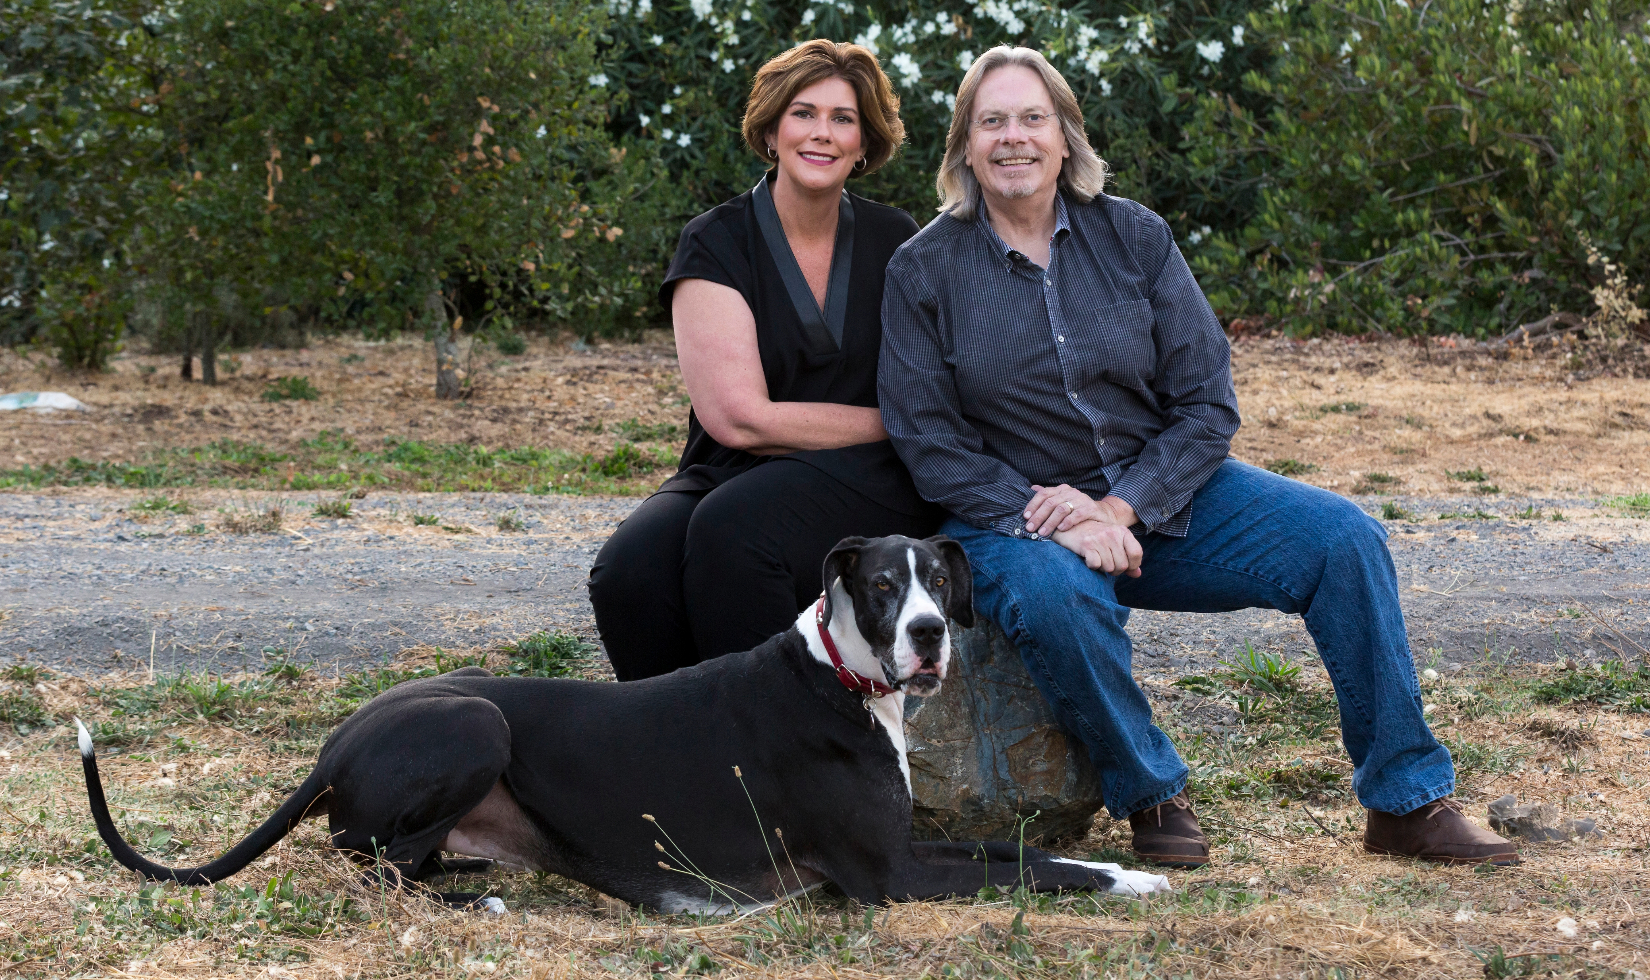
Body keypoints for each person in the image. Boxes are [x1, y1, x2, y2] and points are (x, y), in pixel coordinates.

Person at [876, 45, 1519, 868]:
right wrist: (1058, 517)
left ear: (1064, 137)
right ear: (964, 145)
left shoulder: (1134, 235)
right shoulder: (923, 269)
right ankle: (1152, 795)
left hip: (1163, 498)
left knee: (1345, 538)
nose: (1013, 138)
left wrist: (1117, 508)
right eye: (990, 121)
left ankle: (1406, 802)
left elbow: (1207, 403)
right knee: (1054, 596)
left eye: (1032, 118)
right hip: (1017, 517)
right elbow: (928, 439)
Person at [589, 39, 942, 682]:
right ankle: (677, 739)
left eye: (844, 119)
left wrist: (901, 431)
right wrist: (892, 419)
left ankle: (769, 748)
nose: (823, 134)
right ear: (772, 129)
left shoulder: (897, 238)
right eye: (804, 113)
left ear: (865, 144)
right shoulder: (716, 240)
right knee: (629, 570)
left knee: (734, 534)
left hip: (869, 475)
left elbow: (940, 376)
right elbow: (738, 420)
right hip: (733, 465)